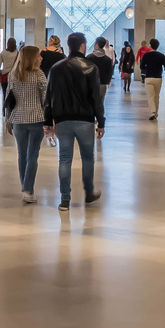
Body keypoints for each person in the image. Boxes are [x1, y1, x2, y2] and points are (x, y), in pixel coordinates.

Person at [44, 32, 104, 211]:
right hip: (85, 120)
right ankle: (89, 192)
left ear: (68, 46)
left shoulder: (56, 68)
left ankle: (64, 199)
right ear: (83, 46)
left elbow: (50, 96)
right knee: (87, 158)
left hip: (63, 119)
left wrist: (48, 120)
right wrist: (101, 121)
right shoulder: (91, 67)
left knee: (64, 158)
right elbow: (96, 98)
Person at [3, 46, 49, 203]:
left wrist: (8, 121)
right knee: (32, 155)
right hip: (36, 119)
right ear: (33, 58)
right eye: (39, 56)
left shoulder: (13, 75)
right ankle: (28, 190)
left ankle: (26, 189)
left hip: (18, 120)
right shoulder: (39, 75)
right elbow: (45, 100)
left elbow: (9, 100)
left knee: (22, 154)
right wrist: (49, 121)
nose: (41, 58)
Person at [138, 37, 165, 119]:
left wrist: (147, 70)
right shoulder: (161, 56)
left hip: (148, 78)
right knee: (156, 96)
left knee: (150, 96)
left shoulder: (146, 55)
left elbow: (142, 67)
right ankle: (156, 113)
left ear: (150, 46)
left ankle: (152, 112)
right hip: (158, 78)